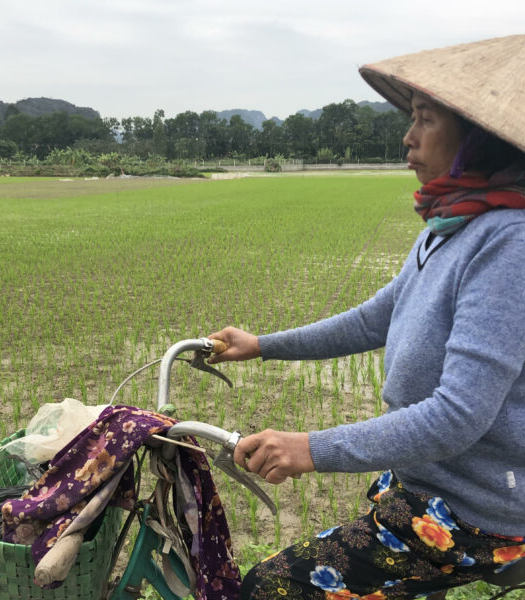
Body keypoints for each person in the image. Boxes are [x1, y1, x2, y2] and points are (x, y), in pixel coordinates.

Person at [208, 35, 525, 599]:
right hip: (428, 481)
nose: (408, 136)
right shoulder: (452, 223)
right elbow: (375, 317)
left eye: (425, 119)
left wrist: (309, 448)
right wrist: (262, 344)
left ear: (478, 139)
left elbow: (458, 415)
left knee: (269, 586)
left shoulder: (510, 245)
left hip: (476, 510)